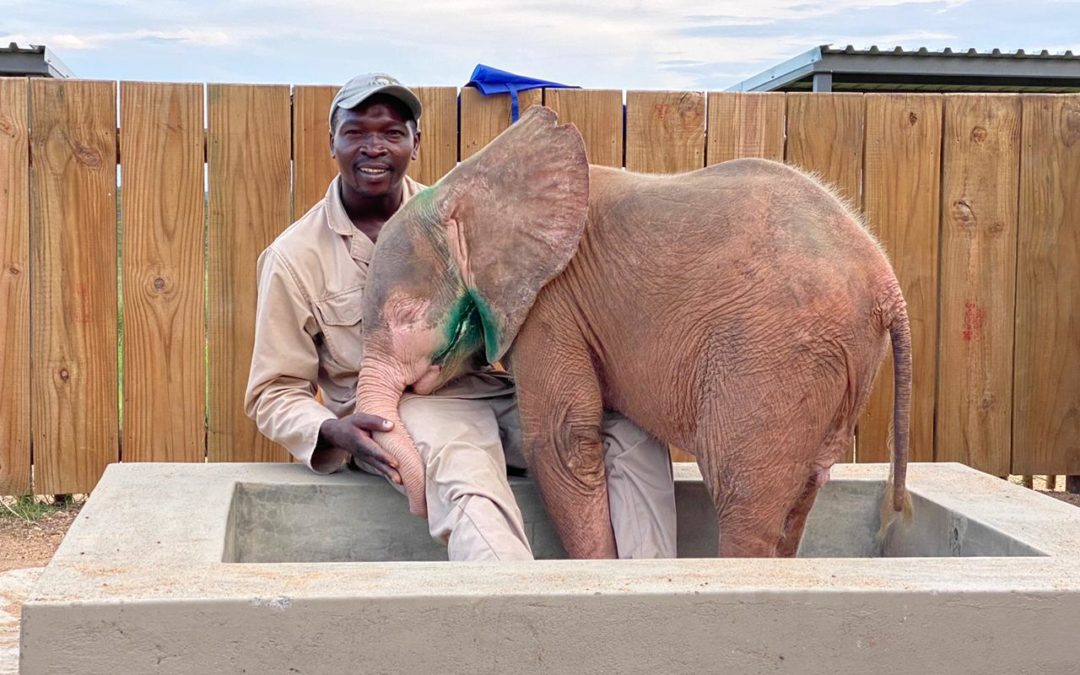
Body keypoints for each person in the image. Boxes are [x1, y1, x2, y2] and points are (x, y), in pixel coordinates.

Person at [245, 73, 677, 561]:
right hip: (402, 412)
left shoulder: (458, 217)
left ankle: (648, 591)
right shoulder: (294, 257)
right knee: (468, 479)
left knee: (629, 431)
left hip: (491, 392)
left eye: (391, 133)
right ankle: (519, 617)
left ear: (415, 142)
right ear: (333, 142)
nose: (374, 148)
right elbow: (272, 391)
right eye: (356, 133)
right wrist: (331, 431)